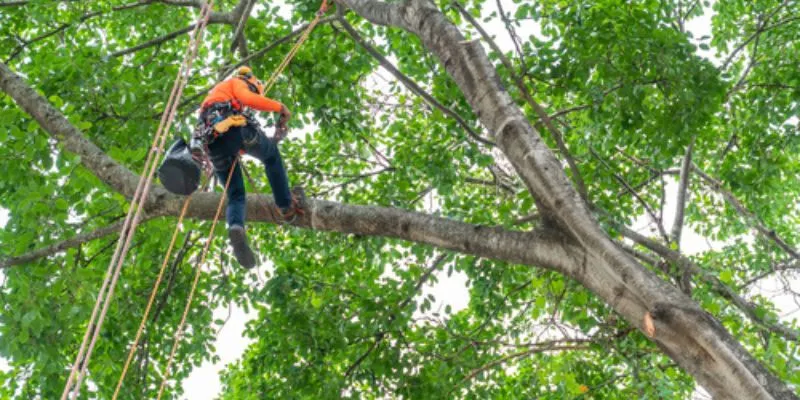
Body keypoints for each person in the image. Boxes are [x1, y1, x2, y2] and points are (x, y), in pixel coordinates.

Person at [194, 66, 302, 268]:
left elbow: (231, 141)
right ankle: (285, 205)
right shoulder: (237, 83)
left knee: (235, 195)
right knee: (272, 158)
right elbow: (250, 99)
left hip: (213, 143)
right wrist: (280, 107)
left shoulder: (213, 101)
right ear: (252, 82)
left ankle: (236, 226)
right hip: (235, 129)